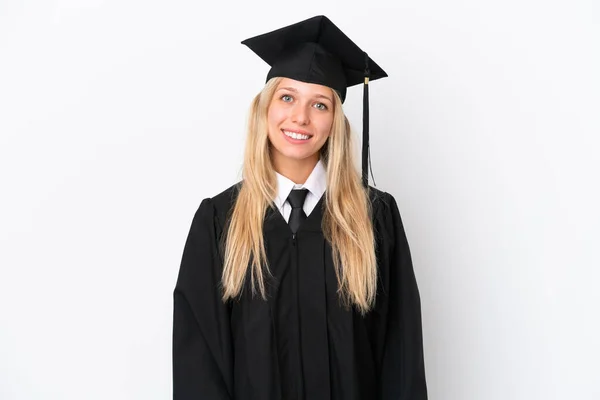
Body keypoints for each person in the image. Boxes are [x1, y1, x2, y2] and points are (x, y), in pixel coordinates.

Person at [173, 15, 428, 400]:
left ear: (334, 122)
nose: (300, 117)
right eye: (287, 97)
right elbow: (199, 365)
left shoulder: (375, 218)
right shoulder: (219, 221)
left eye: (320, 104)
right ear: (265, 108)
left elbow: (401, 354)